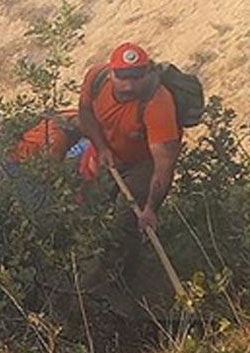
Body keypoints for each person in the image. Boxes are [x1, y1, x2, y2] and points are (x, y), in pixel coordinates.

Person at [74, 41, 184, 292]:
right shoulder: (96, 77)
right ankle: (86, 268)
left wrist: (151, 208)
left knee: (127, 219)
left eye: (135, 77)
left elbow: (163, 166)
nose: (128, 85)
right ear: (111, 72)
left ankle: (124, 280)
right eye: (122, 77)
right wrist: (101, 147)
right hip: (108, 152)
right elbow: (85, 113)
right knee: (89, 206)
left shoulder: (158, 104)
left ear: (147, 73)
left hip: (143, 164)